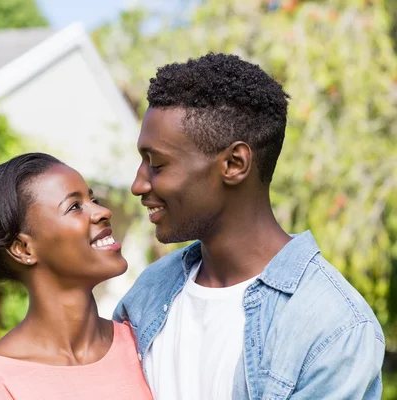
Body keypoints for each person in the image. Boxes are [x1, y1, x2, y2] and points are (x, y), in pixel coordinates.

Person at [114, 53, 385, 399]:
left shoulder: (333, 327)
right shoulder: (150, 290)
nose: (138, 185)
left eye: (157, 164)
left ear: (234, 163)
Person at [0, 153, 152, 400]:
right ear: (23, 249)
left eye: (93, 199)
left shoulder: (145, 342)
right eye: (74, 206)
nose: (103, 212)